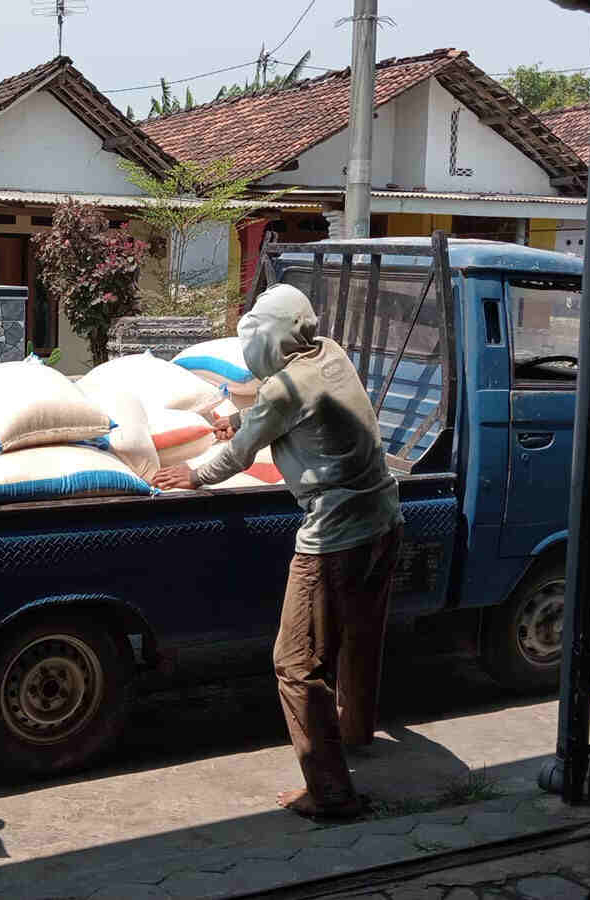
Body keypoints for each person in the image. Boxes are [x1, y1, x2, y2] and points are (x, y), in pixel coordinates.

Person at [151, 284, 403, 820]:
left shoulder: (282, 389)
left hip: (334, 537)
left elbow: (239, 458)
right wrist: (240, 420)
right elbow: (276, 417)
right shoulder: (329, 353)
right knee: (360, 636)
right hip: (385, 520)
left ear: (270, 336)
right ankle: (355, 735)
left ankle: (333, 792)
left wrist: (193, 475)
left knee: (294, 664)